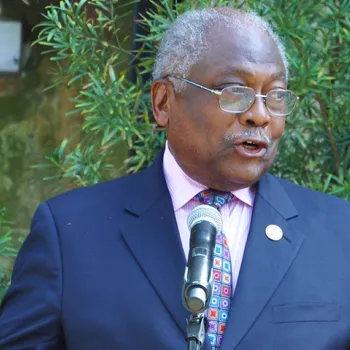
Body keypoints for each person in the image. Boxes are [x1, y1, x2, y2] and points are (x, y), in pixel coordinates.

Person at [1, 6, 349, 350]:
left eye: (274, 96)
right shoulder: (69, 234)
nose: (259, 115)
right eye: (234, 92)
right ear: (164, 102)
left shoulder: (339, 233)